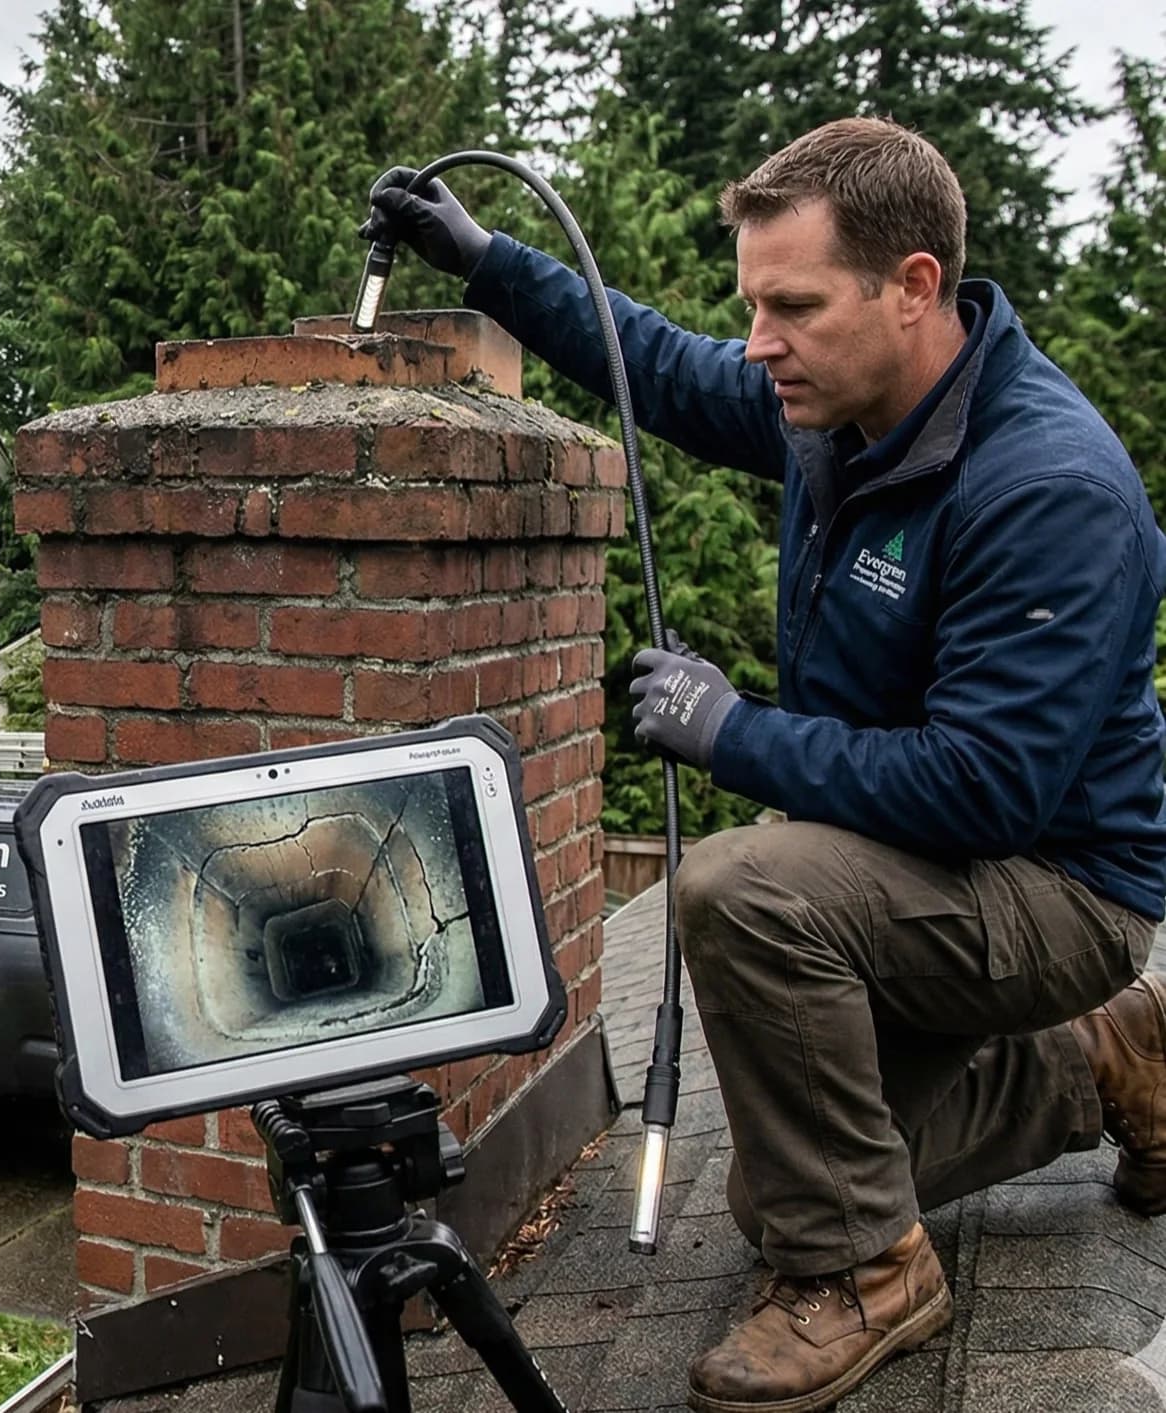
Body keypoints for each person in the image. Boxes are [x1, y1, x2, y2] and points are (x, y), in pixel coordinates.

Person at [366, 116, 1166, 1411]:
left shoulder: (1044, 485)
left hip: (1056, 884)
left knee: (740, 893)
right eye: (754, 304)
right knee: (773, 1189)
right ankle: (1102, 1064)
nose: (758, 343)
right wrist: (487, 261)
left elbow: (987, 789)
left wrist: (730, 731)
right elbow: (669, 373)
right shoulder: (839, 411)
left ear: (912, 287)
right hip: (913, 868)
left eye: (790, 305)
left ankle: (867, 1275)